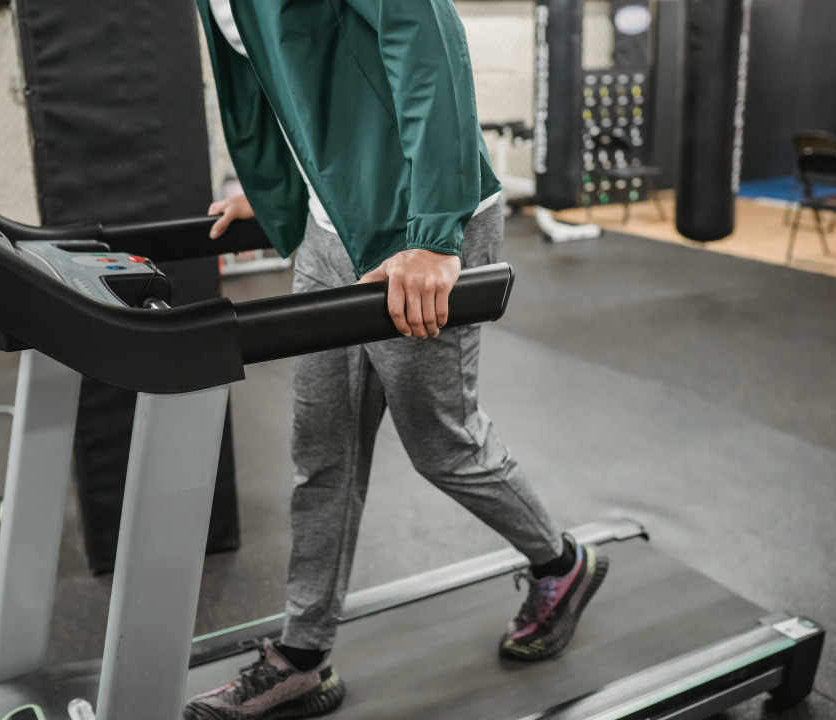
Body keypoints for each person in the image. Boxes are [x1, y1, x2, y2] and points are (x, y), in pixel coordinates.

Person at [185, 2, 608, 718]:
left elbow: (430, 53)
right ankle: (303, 656)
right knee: (322, 452)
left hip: (415, 226)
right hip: (332, 228)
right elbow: (280, 76)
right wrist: (278, 191)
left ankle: (562, 564)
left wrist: (437, 232)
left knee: (442, 443)